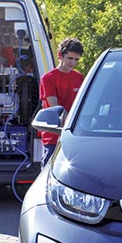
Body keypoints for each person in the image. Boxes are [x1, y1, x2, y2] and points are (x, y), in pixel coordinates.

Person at [39, 37, 84, 166]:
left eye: (76, 60)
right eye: (70, 58)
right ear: (60, 55)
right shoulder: (48, 79)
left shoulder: (79, 77)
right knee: (48, 173)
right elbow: (55, 108)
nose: (73, 63)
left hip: (73, 135)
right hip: (54, 136)